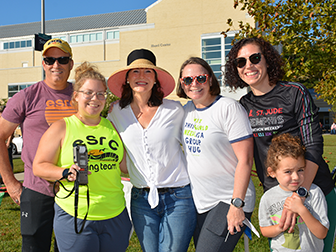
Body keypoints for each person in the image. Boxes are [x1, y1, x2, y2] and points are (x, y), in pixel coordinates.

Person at [225, 37, 336, 252]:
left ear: (268, 61)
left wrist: (299, 196)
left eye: (255, 58)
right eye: (241, 62)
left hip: (314, 190)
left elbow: (313, 145)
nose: (248, 65)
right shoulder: (243, 106)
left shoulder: (295, 92)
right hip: (275, 195)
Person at [33, 62, 132, 252]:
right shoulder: (62, 127)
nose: (95, 98)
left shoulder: (113, 127)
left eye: (101, 94)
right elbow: (39, 166)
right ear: (76, 96)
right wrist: (64, 172)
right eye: (88, 93)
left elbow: (124, 166)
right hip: (75, 213)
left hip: (115, 213)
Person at [0, 38, 76, 252]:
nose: (56, 65)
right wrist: (10, 183)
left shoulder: (81, 95)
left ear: (71, 64)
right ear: (43, 63)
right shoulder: (26, 97)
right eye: (49, 60)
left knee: (71, 248)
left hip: (75, 189)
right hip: (38, 189)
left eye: (62, 59)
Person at [107, 48, 196, 252]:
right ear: (127, 79)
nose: (141, 77)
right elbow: (117, 155)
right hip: (141, 200)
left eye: (148, 72)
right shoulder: (116, 113)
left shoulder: (174, 110)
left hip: (179, 197)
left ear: (156, 79)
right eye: (135, 72)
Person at [176, 57, 256, 251]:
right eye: (188, 80)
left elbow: (245, 160)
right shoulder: (185, 112)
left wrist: (237, 205)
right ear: (182, 83)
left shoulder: (229, 108)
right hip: (199, 202)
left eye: (200, 78)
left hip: (228, 200)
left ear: (210, 79)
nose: (194, 84)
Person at [259, 133, 329, 251]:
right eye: (288, 172)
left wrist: (301, 209)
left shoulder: (315, 193)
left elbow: (322, 233)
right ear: (272, 172)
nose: (296, 177)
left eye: (300, 170)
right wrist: (280, 228)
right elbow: (264, 229)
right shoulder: (268, 197)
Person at [0, 105, 14, 171]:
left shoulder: (8, 121)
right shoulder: (0, 121)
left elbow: (11, 132)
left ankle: (10, 176)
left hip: (6, 144)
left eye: (0, 112)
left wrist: (8, 143)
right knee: (1, 161)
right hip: (1, 143)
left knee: (8, 161)